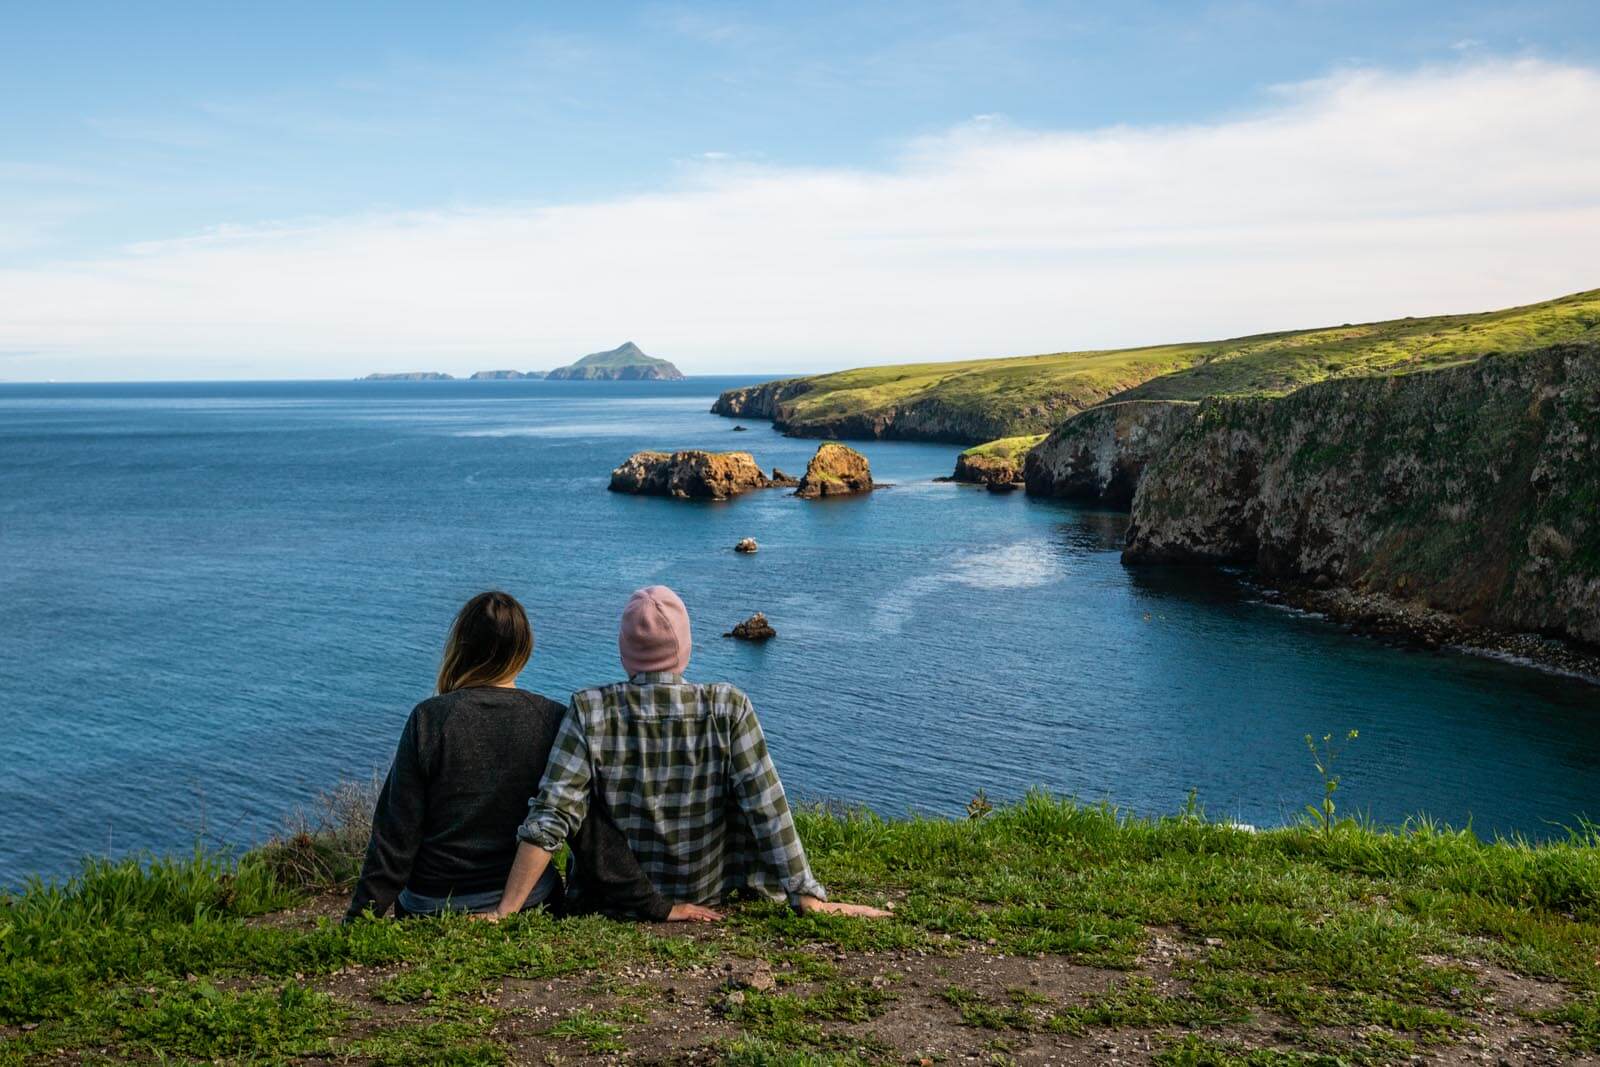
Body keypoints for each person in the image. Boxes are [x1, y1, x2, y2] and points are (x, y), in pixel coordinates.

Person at [482, 585, 890, 922]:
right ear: (684, 648)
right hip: (708, 892)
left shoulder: (590, 711)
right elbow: (767, 806)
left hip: (612, 900)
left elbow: (552, 814)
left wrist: (506, 910)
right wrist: (805, 893)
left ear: (625, 653)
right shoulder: (727, 707)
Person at [345, 590, 718, 923]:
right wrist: (656, 906)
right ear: (524, 651)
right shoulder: (552, 718)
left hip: (429, 907)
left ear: (459, 648)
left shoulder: (429, 719)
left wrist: (357, 924)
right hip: (530, 905)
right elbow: (590, 832)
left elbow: (394, 838)